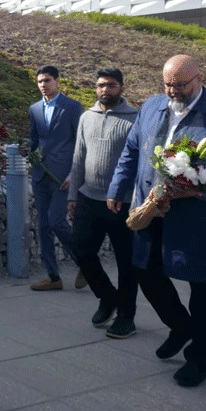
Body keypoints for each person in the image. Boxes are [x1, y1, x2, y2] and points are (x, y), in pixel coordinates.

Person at [107, 54, 206, 387]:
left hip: (197, 220)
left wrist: (195, 191)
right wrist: (117, 186)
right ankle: (181, 326)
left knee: (204, 289)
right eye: (168, 84)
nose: (173, 91)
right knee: (144, 271)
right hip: (151, 208)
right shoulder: (152, 106)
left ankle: (199, 358)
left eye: (180, 85)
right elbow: (131, 150)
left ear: (199, 79)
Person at [67, 68, 138, 339]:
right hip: (89, 198)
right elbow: (78, 157)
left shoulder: (135, 119)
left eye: (110, 85)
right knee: (81, 250)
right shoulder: (87, 117)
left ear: (121, 87)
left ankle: (126, 317)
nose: (104, 90)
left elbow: (141, 162)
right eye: (100, 85)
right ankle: (108, 298)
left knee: (127, 264)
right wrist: (73, 195)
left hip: (123, 202)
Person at [27, 65, 84, 291]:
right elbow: (34, 140)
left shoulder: (72, 107)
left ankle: (85, 262)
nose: (43, 85)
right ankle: (53, 276)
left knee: (56, 221)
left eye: (47, 80)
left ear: (58, 81)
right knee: (43, 226)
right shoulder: (34, 109)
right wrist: (27, 151)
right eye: (40, 81)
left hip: (63, 177)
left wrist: (75, 173)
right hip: (40, 175)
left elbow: (81, 142)